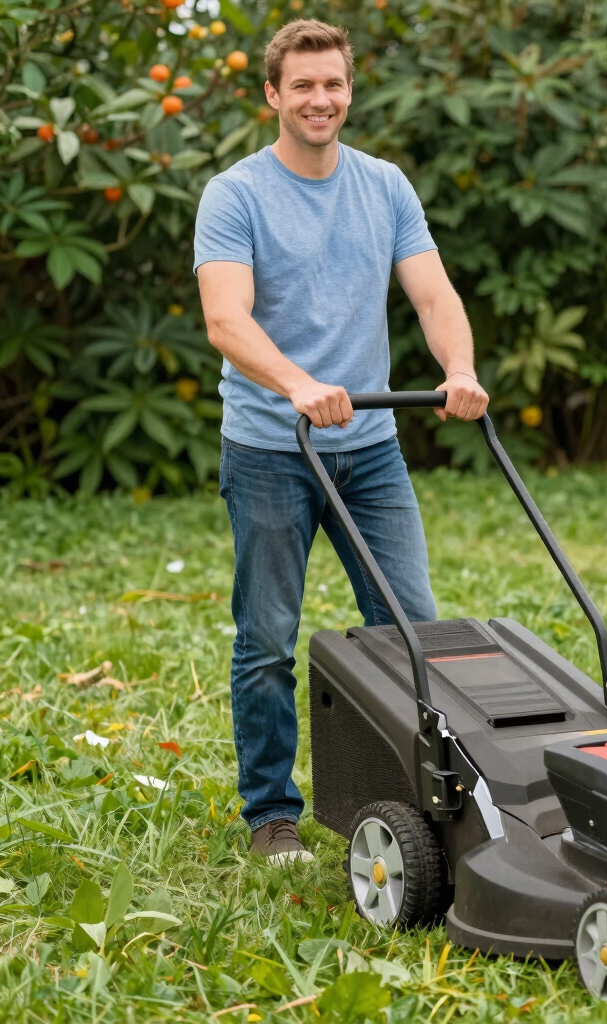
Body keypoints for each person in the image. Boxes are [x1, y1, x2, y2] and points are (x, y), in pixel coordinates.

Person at [194, 18, 488, 865]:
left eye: (334, 85)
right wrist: (296, 385)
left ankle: (421, 799)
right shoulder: (236, 194)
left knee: (414, 630)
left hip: (372, 450)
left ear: (349, 91)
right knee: (267, 641)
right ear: (273, 96)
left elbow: (432, 297)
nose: (321, 100)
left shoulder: (384, 185)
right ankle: (271, 816)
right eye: (304, 86)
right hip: (269, 450)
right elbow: (226, 318)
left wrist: (459, 367)